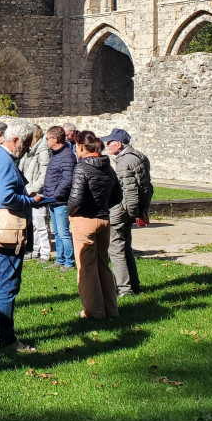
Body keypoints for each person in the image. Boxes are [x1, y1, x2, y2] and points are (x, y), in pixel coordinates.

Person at [0, 118, 37, 352]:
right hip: (9, 229)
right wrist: (31, 200)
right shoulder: (3, 160)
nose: (28, 148)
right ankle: (6, 338)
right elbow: (6, 198)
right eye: (26, 143)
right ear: (14, 140)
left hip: (1, 227)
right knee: (8, 283)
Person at [67, 131, 123, 319]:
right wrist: (102, 206)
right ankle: (111, 309)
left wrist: (70, 213)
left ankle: (94, 312)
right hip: (103, 219)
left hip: (84, 220)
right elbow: (118, 196)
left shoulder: (81, 168)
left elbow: (75, 199)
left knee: (87, 268)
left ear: (81, 146)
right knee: (103, 265)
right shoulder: (108, 167)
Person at [104, 128, 151, 296]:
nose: (107, 145)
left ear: (119, 143)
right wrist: (141, 210)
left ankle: (124, 288)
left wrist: (131, 213)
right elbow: (147, 187)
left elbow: (130, 192)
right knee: (126, 248)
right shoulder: (140, 156)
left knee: (116, 250)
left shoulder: (124, 162)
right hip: (131, 209)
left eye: (110, 142)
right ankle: (134, 286)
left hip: (120, 211)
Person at [42, 125, 76, 270]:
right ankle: (60, 259)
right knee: (56, 232)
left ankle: (69, 261)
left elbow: (67, 180)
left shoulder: (67, 155)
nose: (46, 141)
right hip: (52, 200)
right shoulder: (55, 154)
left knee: (63, 233)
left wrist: (55, 194)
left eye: (48, 138)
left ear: (55, 139)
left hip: (60, 200)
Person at [23, 123, 52, 262]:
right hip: (29, 191)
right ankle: (36, 249)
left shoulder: (42, 151)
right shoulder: (30, 151)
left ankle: (45, 252)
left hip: (37, 193)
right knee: (34, 224)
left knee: (41, 224)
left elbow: (43, 174)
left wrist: (34, 190)